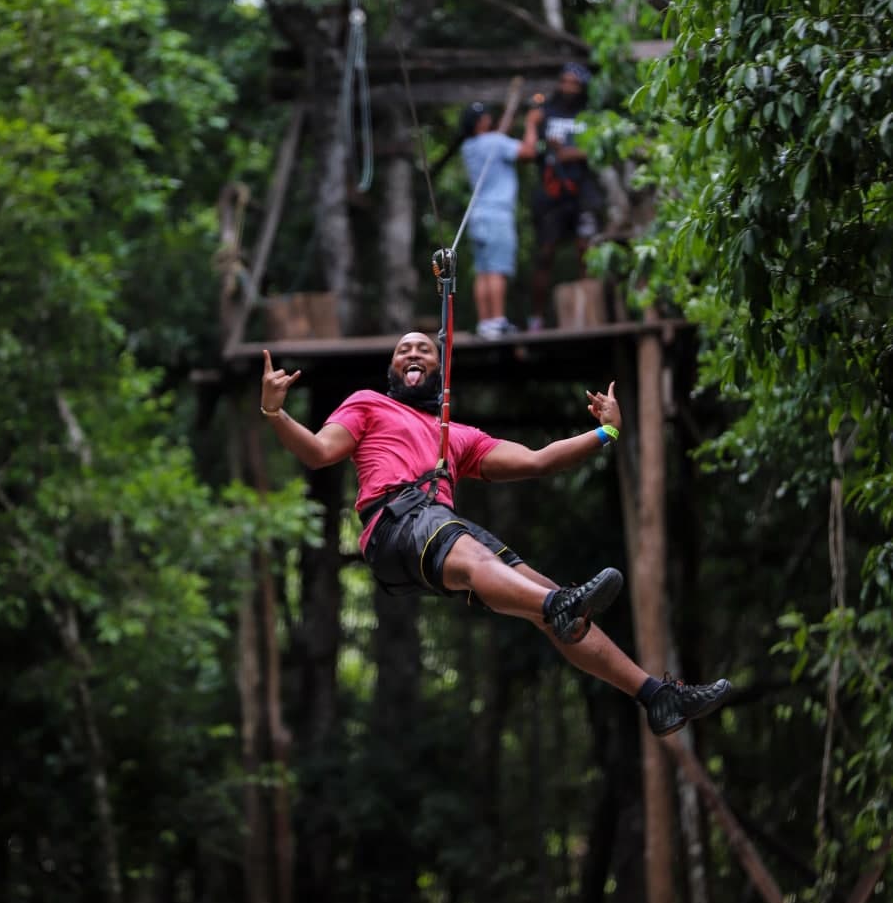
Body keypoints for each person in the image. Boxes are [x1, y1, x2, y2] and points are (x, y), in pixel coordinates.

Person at [260, 333, 733, 738]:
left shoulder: (458, 437)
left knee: (543, 590)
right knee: (518, 581)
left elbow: (537, 460)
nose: (412, 354)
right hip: (395, 523)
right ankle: (558, 608)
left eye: (423, 349)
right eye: (403, 350)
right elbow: (321, 452)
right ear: (392, 367)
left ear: (438, 367)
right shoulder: (369, 404)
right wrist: (276, 414)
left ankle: (654, 696)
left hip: (435, 526)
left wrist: (607, 431)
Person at [526, 61, 607, 331]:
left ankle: (590, 312)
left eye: (574, 83)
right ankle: (536, 317)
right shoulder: (544, 112)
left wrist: (572, 153)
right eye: (565, 81)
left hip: (583, 191)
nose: (568, 87)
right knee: (545, 253)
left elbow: (600, 148)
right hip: (552, 193)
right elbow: (530, 151)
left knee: (585, 249)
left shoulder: (589, 114)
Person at [458, 100, 537, 339]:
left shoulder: (469, 146)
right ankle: (498, 321)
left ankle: (485, 322)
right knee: (497, 270)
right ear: (481, 122)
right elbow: (528, 151)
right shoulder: (495, 142)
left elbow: (498, 137)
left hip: (477, 214)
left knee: (482, 270)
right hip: (497, 214)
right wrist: (531, 124)